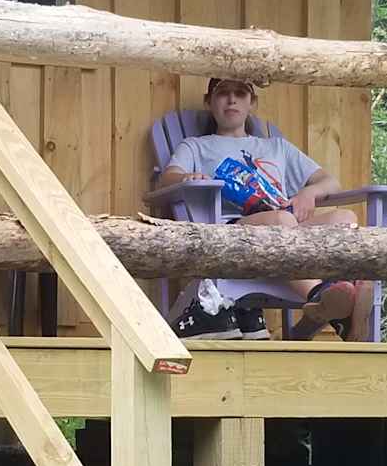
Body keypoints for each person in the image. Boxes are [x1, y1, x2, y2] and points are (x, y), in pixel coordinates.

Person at [159, 77, 371, 341]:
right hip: (232, 233)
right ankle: (325, 299)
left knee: (346, 217)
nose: (232, 99)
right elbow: (167, 178)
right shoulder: (196, 146)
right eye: (223, 93)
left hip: (286, 227)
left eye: (240, 93)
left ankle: (334, 309)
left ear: (253, 103)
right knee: (282, 221)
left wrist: (308, 193)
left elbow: (330, 182)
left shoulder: (276, 147)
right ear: (209, 102)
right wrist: (187, 178)